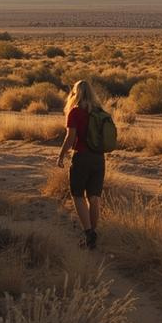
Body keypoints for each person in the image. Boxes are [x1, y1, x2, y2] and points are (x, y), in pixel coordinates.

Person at [56, 79, 105, 248]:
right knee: (94, 197)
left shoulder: (75, 112)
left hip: (82, 157)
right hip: (99, 158)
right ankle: (93, 235)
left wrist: (61, 155)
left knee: (77, 195)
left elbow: (70, 138)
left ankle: (89, 233)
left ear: (75, 93)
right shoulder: (99, 111)